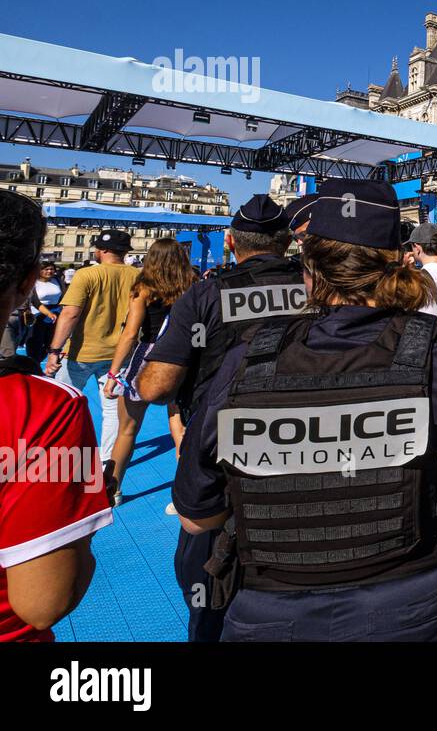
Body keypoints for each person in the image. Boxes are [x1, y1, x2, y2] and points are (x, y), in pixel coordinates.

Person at [166, 179, 437, 641]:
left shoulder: (248, 363)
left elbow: (196, 515)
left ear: (309, 269)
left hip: (273, 611)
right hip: (413, 605)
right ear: (399, 262)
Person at [137, 194, 305, 642]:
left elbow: (154, 387)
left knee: (209, 590)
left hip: (223, 458)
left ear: (229, 242)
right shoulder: (319, 288)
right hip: (309, 453)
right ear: (288, 241)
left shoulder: (207, 292)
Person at [0, 192, 111, 641]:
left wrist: (54, 350)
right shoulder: (45, 410)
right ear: (27, 281)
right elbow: (44, 603)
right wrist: (80, 534)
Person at [101, 238, 196, 503]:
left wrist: (113, 373)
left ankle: (114, 490)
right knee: (181, 428)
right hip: (182, 356)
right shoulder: (193, 286)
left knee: (127, 430)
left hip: (148, 358)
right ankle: (185, 493)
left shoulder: (143, 289)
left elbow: (131, 334)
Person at [43, 229, 137, 466]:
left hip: (81, 352)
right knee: (112, 411)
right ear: (125, 251)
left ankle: (62, 455)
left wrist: (54, 351)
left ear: (102, 250)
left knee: (64, 405)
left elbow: (70, 313)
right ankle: (107, 461)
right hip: (120, 354)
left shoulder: (87, 275)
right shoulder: (137, 276)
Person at [25, 262, 64, 368]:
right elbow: (35, 301)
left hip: (55, 314)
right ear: (40, 270)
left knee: (50, 343)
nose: (49, 271)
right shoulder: (34, 282)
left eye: (51, 269)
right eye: (46, 269)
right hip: (38, 316)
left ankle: (39, 363)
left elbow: (63, 296)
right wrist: (48, 313)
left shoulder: (57, 280)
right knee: (35, 343)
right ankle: (32, 365)